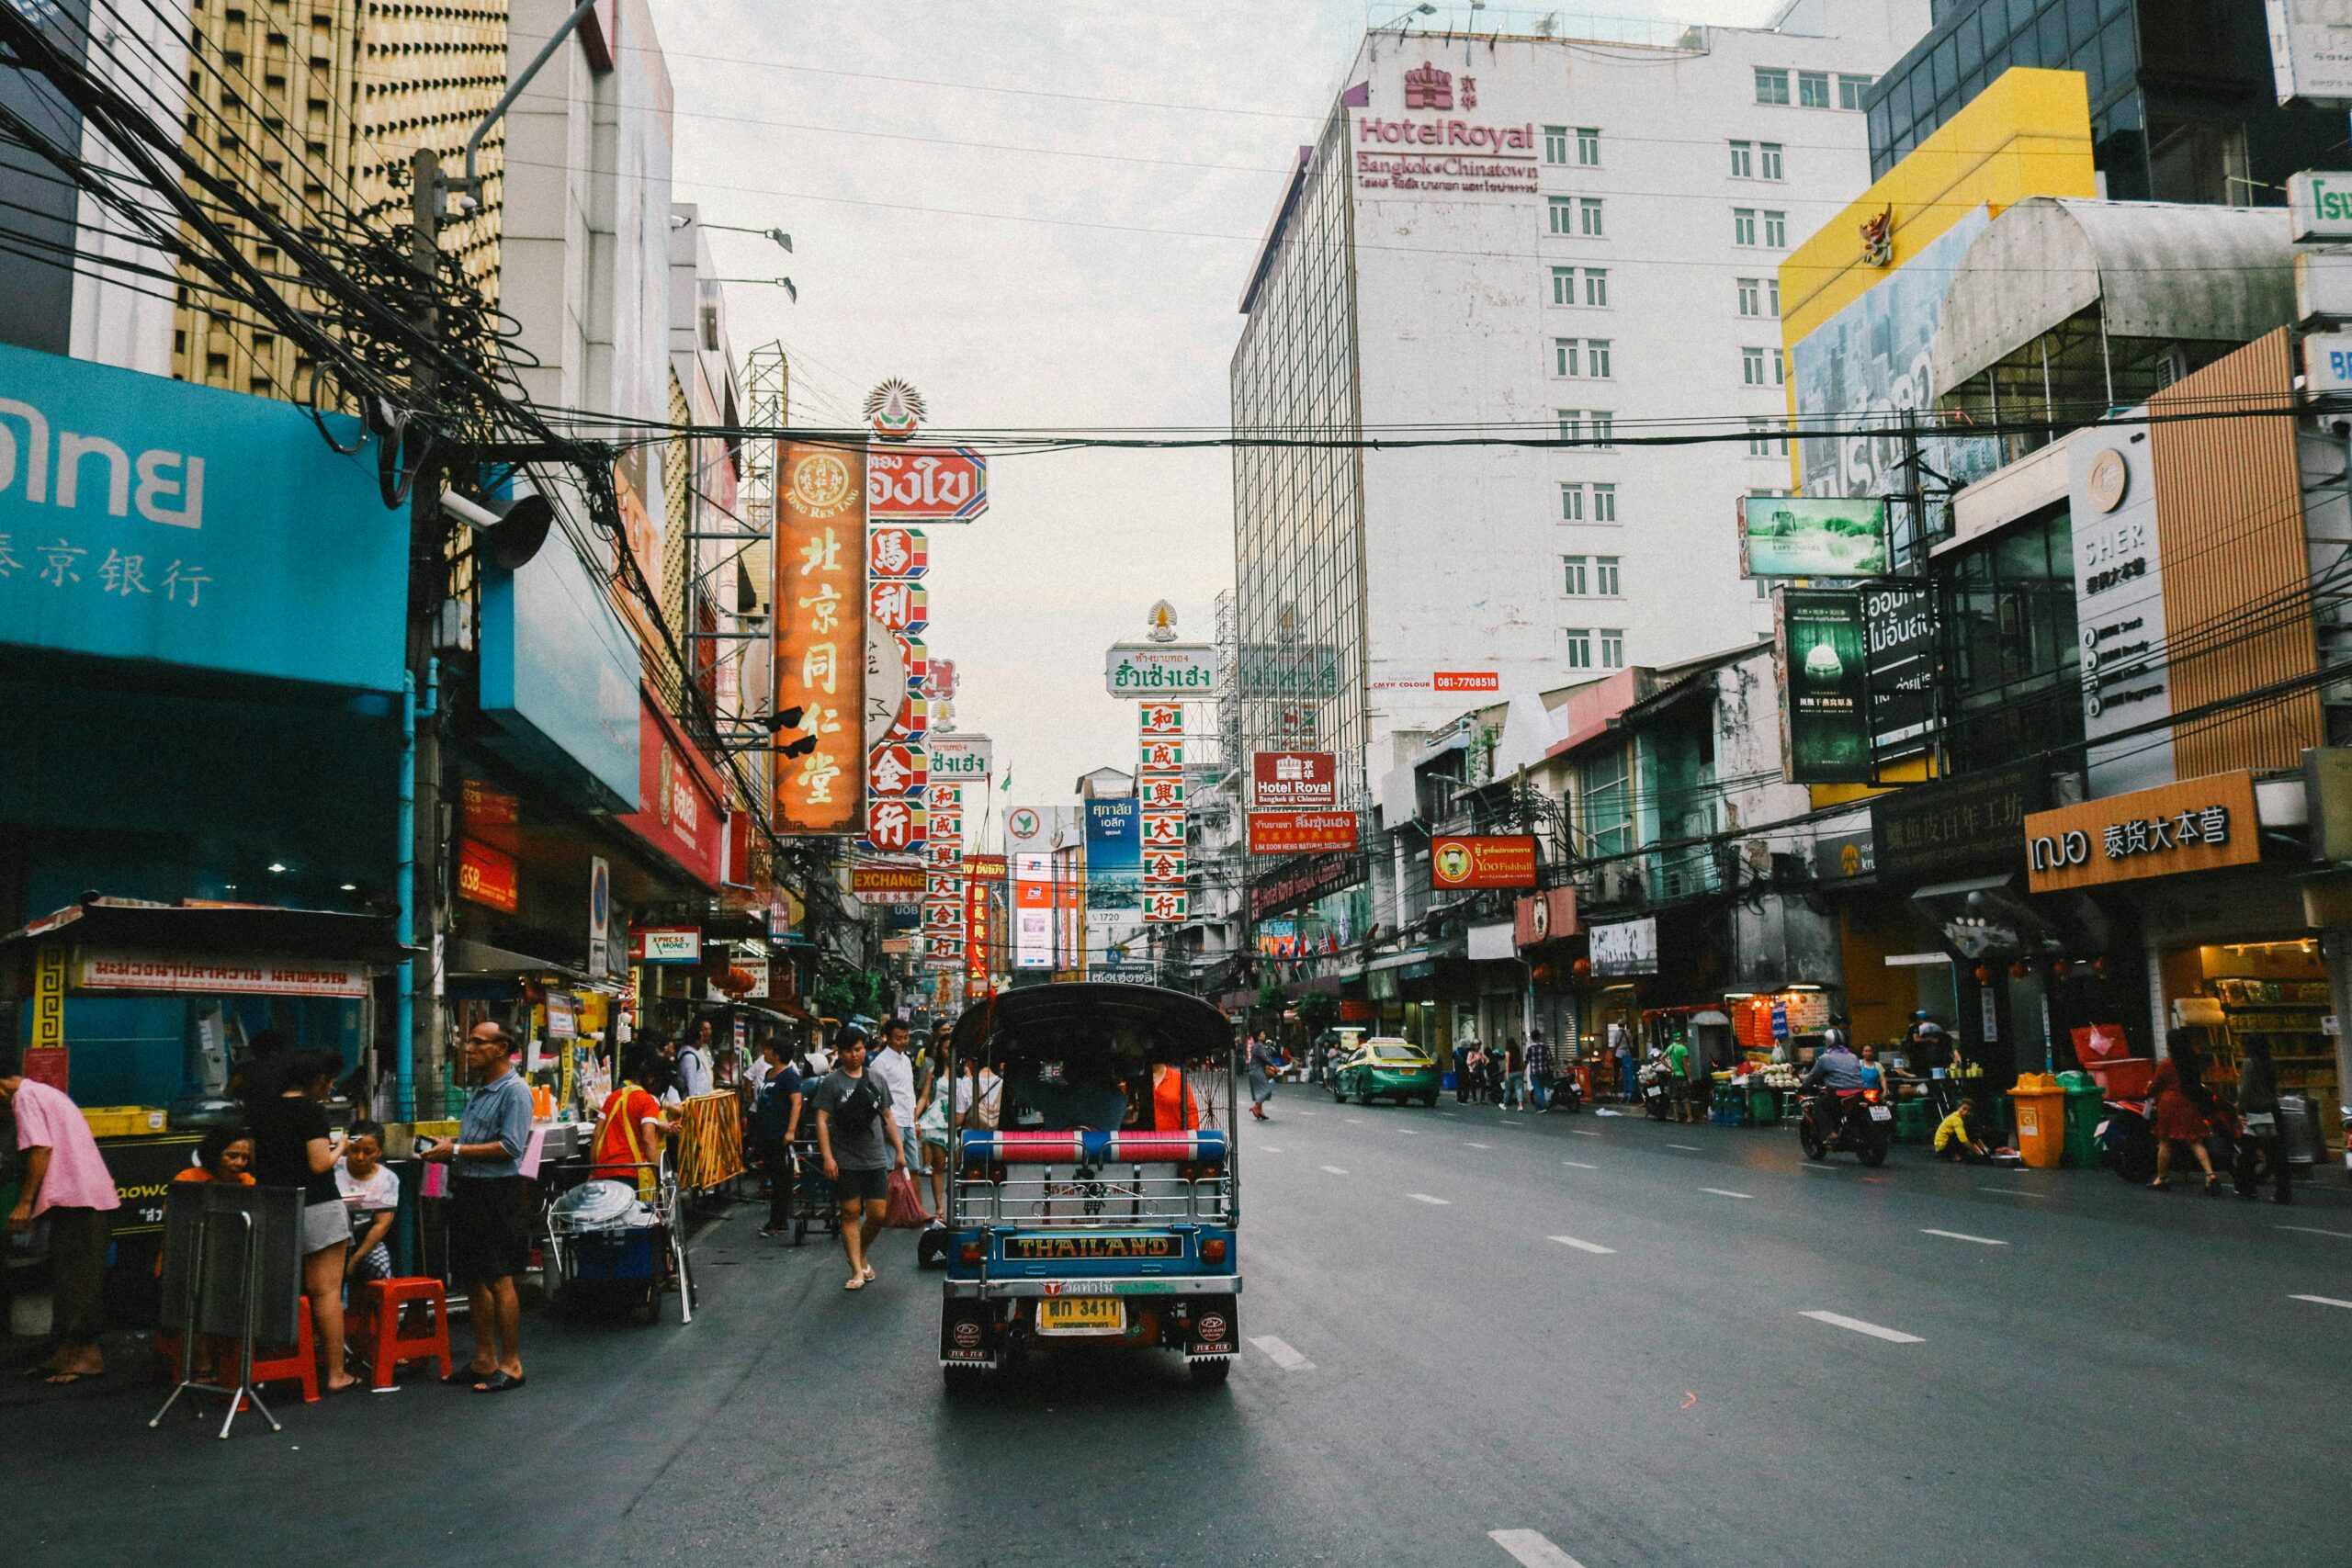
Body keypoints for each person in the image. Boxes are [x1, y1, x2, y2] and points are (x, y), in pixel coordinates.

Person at [0, 1049, 124, 1385]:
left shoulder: (25, 1098)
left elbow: (40, 1148)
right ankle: (66, 1353)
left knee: (79, 1281)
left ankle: (87, 1357)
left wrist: (24, 1203)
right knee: (68, 1278)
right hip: (78, 1198)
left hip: (80, 1200)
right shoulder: (45, 1093)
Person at [422, 1022, 534, 1392]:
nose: (468, 1048)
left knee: (500, 1277)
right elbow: (479, 1139)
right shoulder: (481, 1090)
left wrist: (453, 1151)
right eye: (468, 1041)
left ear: (501, 1048)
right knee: (473, 1274)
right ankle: (484, 1358)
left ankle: (511, 1363)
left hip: (497, 1193)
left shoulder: (514, 1091)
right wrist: (452, 1143)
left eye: (477, 1042)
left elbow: (511, 1147)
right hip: (468, 1188)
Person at [248, 1047, 359, 1394]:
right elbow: (319, 1165)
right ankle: (336, 1373)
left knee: (279, 1289)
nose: (329, 1088)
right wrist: (341, 1147)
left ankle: (271, 1365)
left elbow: (253, 1159)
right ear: (316, 1080)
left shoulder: (261, 1110)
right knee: (325, 1291)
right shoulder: (311, 1112)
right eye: (328, 1082)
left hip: (275, 1208)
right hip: (317, 1207)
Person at [810, 1028, 907, 1291]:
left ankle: (860, 1252)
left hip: (875, 1157)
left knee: (878, 1215)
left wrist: (899, 1151)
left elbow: (888, 1117)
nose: (854, 1055)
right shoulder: (832, 1083)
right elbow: (821, 1120)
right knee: (850, 1213)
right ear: (839, 1053)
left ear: (865, 1049)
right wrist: (828, 1157)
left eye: (858, 1049)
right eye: (848, 1051)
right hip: (845, 1159)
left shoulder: (876, 1078)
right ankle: (856, 1269)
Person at [593, 1047, 670, 1199]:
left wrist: (593, 1170)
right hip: (631, 1173)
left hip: (603, 1171)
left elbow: (596, 1135)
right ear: (650, 1079)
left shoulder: (612, 1097)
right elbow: (648, 1139)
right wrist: (658, 1173)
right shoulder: (648, 1101)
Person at [750, 1040, 804, 1238]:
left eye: (768, 1049)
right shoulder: (768, 1074)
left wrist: (790, 1131)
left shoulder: (789, 1076)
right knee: (772, 1175)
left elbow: (796, 1103)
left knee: (782, 1178)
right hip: (766, 1134)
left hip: (780, 1135)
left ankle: (778, 1222)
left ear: (777, 1054)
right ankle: (776, 1219)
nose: (765, 1052)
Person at [336, 1121, 401, 1285]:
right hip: (334, 1238)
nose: (360, 1157)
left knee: (381, 1269)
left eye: (368, 1152)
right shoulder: (334, 1168)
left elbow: (382, 1224)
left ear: (379, 1153)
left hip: (365, 1239)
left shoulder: (388, 1180)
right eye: (355, 1150)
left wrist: (355, 1259)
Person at [2147, 1048, 2219, 1194]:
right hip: (2189, 1104)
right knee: (2195, 1141)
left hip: (2169, 1105)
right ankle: (2210, 1175)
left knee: (2165, 1141)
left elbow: (2155, 1085)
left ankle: (2162, 1178)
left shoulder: (2166, 1064)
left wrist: (2148, 1091)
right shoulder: (2192, 1063)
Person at [871, 1020, 923, 1215]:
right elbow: (877, 1098)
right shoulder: (880, 1063)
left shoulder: (907, 1060)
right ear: (888, 1038)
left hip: (908, 1120)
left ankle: (917, 1210)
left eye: (906, 1037)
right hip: (892, 1121)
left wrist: (915, 1120)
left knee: (914, 1167)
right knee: (891, 1168)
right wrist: (883, 1125)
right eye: (898, 1038)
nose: (903, 1042)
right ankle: (886, 1211)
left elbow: (909, 1092)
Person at [2232, 1037, 2292, 1204]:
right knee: (2276, 1152)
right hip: (2272, 1109)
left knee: (2248, 1150)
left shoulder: (2250, 1063)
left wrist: (2240, 1110)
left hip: (2256, 1111)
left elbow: (2246, 1089)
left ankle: (2247, 1187)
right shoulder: (2270, 1063)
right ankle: (2283, 1191)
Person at [175, 1125, 256, 1187]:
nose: (240, 1163)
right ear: (214, 1154)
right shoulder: (187, 1179)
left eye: (245, 1157)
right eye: (232, 1156)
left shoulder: (247, 1181)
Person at [1933, 1096, 1992, 1162]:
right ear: (1959, 1108)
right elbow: (1964, 1141)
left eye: (1968, 1111)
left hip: (1945, 1144)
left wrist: (1983, 1148)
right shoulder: (1956, 1120)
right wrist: (1977, 1153)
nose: (1965, 1112)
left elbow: (1972, 1136)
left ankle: (1984, 1150)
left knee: (1969, 1132)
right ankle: (1952, 1155)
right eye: (1964, 1109)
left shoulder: (1962, 1118)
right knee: (1966, 1150)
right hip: (1943, 1148)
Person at [1246, 1032, 1283, 1121]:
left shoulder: (1255, 1046)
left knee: (1259, 1090)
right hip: (1258, 1070)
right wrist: (1274, 1067)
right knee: (1267, 1089)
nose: (1265, 1035)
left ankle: (1260, 1111)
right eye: (1262, 1034)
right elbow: (1265, 1057)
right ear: (1258, 1036)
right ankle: (1256, 1106)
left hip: (1252, 1070)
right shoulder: (1260, 1046)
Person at [674, 1023, 715, 1100]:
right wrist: (694, 1103)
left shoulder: (695, 1053)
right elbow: (691, 1083)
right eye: (701, 1038)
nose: (702, 1041)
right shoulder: (689, 1057)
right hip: (696, 1103)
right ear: (696, 1040)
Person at [1663, 1034, 1693, 1122]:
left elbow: (1662, 1058)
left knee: (1674, 1097)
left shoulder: (1670, 1047)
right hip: (1682, 1075)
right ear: (1681, 1039)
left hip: (1674, 1075)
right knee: (1685, 1096)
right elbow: (1685, 1064)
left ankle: (1676, 1117)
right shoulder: (1682, 1048)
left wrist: (1670, 1068)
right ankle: (1689, 1117)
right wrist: (1689, 1077)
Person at [1525, 1030, 1553, 1111]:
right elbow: (1550, 1058)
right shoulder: (1545, 1046)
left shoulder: (1530, 1048)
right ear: (1539, 1037)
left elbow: (1526, 1060)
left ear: (1532, 1038)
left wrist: (1522, 1070)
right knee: (1544, 1088)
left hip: (1535, 1072)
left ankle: (1543, 1106)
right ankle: (1541, 1104)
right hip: (1545, 1071)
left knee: (1538, 1089)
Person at [1609, 1021, 1634, 1102]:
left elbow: (1613, 1046)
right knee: (1628, 1073)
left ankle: (1616, 1089)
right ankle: (1628, 1089)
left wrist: (1612, 1055)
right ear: (1624, 1025)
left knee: (1616, 1072)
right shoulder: (1628, 1033)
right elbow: (1631, 1045)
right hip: (1627, 1054)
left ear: (1618, 1025)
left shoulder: (1615, 1033)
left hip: (1619, 1054)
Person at [1452, 1035, 1473, 1104]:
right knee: (1466, 1085)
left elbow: (1453, 1058)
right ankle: (1464, 1099)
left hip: (1458, 1071)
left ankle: (1459, 1098)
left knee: (1459, 1085)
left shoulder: (1455, 1051)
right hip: (1465, 1070)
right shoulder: (1466, 1052)